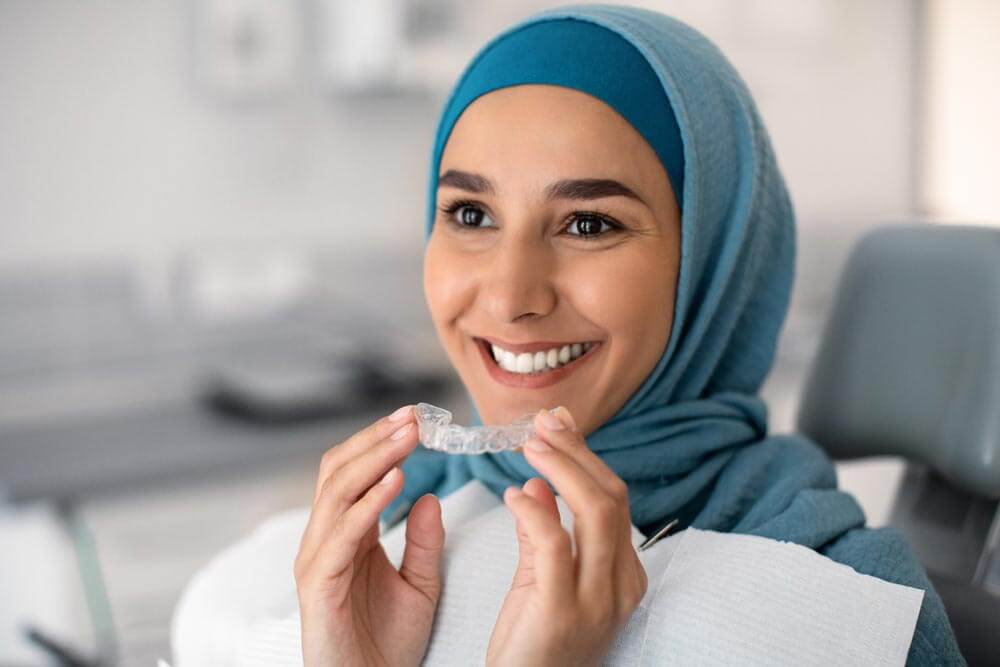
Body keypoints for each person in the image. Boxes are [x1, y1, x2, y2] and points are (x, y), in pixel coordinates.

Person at [292, 4, 965, 666]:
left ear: (713, 263)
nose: (508, 296)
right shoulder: (379, 535)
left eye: (588, 223)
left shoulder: (852, 612)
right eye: (471, 212)